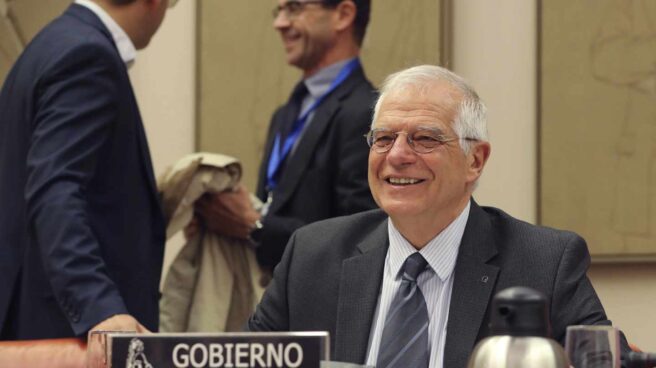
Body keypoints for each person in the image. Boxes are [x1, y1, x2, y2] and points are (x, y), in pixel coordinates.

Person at [247, 65, 630, 367]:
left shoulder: (543, 262)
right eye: (383, 138)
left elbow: (604, 360)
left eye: (425, 138)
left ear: (474, 161)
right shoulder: (313, 256)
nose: (397, 155)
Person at [0, 0, 176, 340]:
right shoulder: (88, 56)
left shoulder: (49, 43)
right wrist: (100, 307)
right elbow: (55, 188)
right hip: (64, 333)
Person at [196, 0, 377, 272]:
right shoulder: (285, 113)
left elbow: (359, 241)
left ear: (343, 15)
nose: (279, 23)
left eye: (294, 8)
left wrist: (253, 224)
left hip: (324, 309)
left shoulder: (369, 113)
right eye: (278, 11)